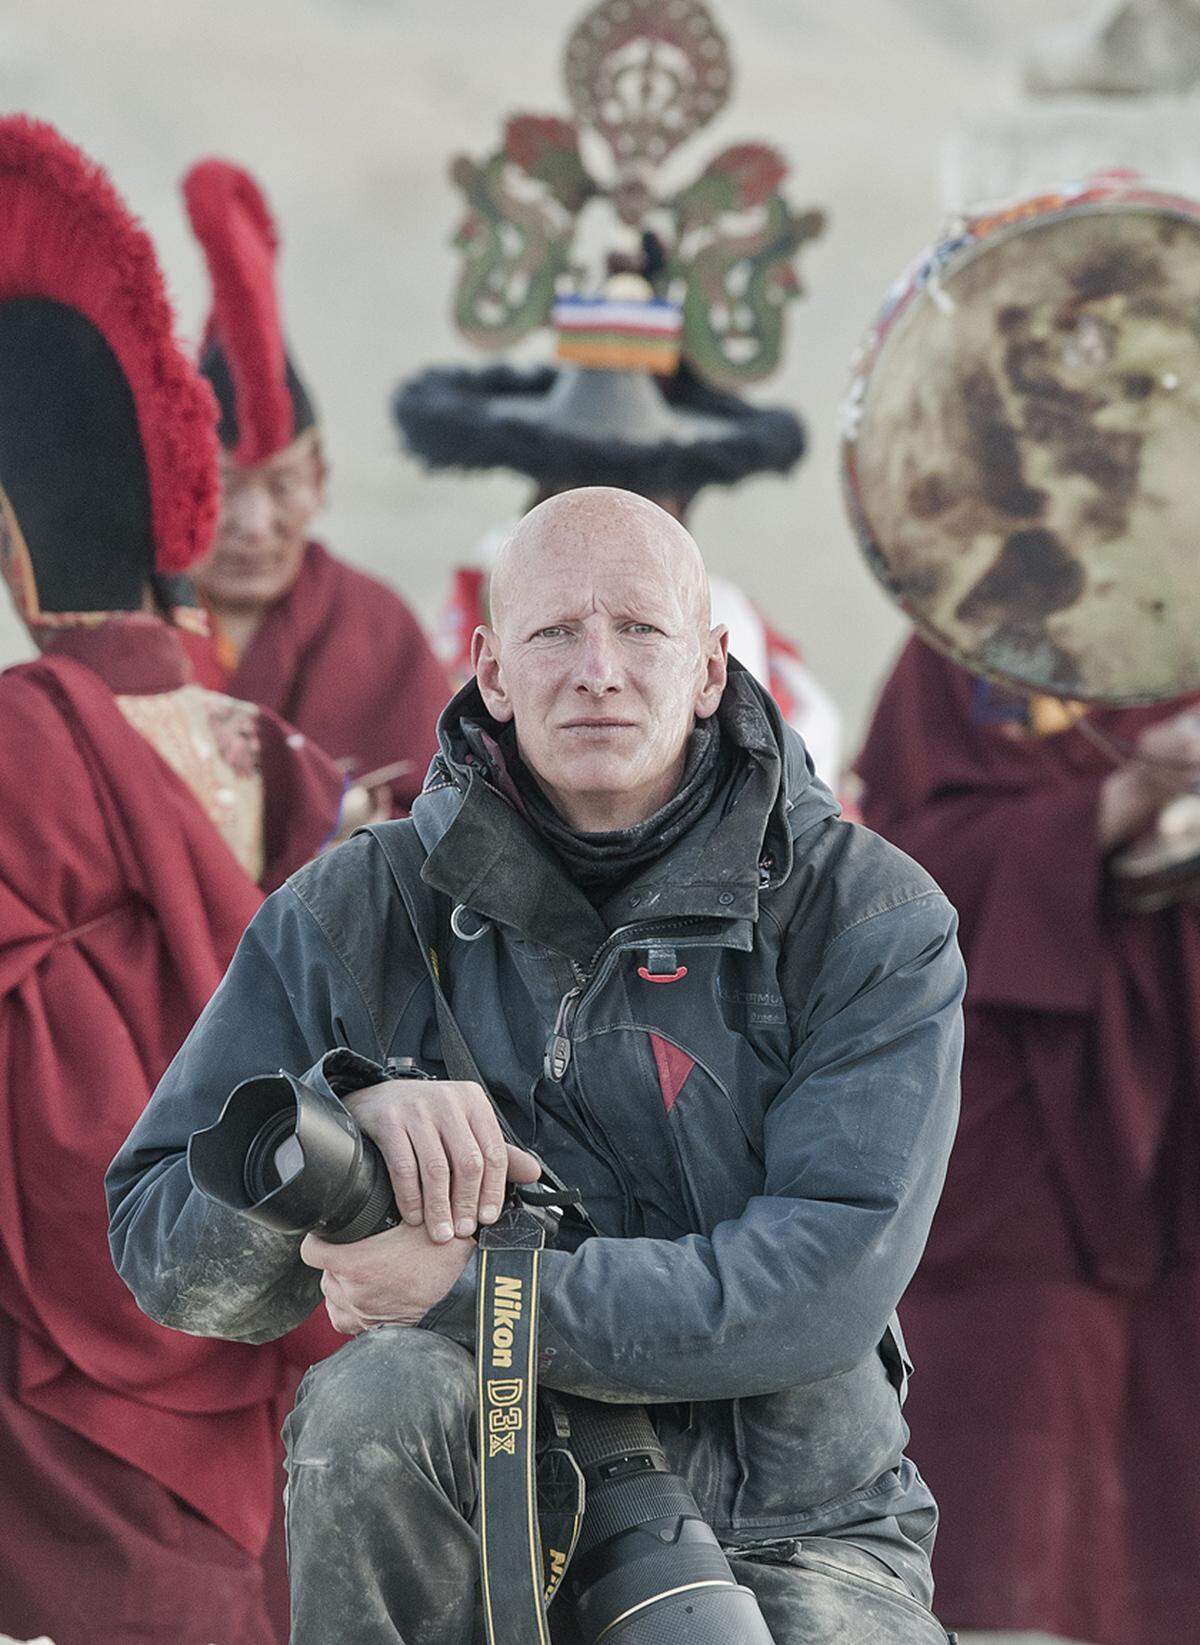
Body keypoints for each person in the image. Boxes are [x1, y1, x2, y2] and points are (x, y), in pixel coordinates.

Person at [110, 485, 965, 1644]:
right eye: (555, 632)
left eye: (641, 631)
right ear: (492, 668)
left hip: (794, 1517)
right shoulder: (362, 908)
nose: (598, 670)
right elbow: (163, 1246)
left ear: (710, 666)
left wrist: (475, 1291)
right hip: (468, 1489)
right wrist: (343, 1125)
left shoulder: (863, 913)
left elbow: (818, 1279)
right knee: (376, 1395)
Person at [0, 116, 349, 1645]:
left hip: (66, 1342)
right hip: (247, 1267)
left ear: (18, 534)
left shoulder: (24, 729)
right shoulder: (268, 740)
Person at [392, 0, 842, 787]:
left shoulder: (747, 644)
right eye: (584, 492)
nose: (619, 520)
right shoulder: (469, 615)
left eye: (647, 495)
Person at [855, 636, 1200, 1645]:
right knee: (1012, 1427)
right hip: (1021, 1093)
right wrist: (1113, 805)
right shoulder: (972, 634)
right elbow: (898, 869)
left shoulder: (1176, 611)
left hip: (1180, 1069)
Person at [182, 158, 451, 813]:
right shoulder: (136, 627)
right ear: (176, 484)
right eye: (223, 486)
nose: (252, 523)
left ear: (321, 479)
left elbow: (446, 825)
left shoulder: (374, 628)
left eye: (281, 486)